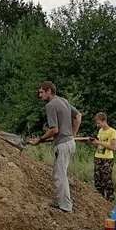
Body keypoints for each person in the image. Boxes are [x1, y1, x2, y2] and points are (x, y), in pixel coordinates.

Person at [27, 81, 81, 213]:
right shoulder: (63, 100)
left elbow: (54, 130)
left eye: (41, 92)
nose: (40, 95)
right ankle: (63, 202)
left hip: (62, 145)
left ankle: (65, 206)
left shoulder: (50, 105)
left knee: (60, 175)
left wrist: (39, 140)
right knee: (61, 173)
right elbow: (78, 116)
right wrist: (73, 134)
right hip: (70, 143)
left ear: (49, 91)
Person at [89, 112, 116, 201]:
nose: (98, 125)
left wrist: (99, 142)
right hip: (98, 157)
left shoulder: (112, 131)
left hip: (107, 159)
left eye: (99, 123)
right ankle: (99, 200)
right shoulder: (100, 131)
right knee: (97, 180)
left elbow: (113, 147)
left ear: (104, 121)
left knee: (106, 180)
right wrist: (93, 143)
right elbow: (98, 144)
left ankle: (109, 199)